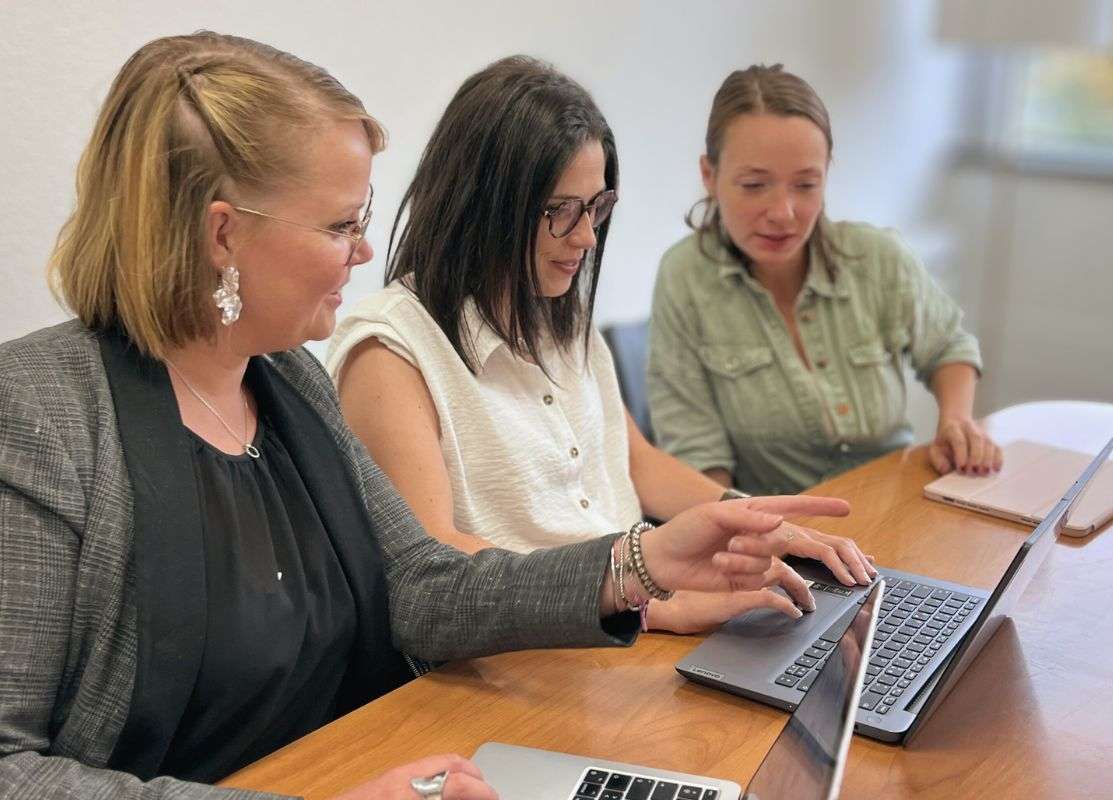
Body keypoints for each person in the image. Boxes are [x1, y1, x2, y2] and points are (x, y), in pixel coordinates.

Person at [0, 35, 845, 800]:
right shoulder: (41, 412)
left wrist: (640, 563)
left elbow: (423, 586)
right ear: (222, 236)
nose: (365, 251)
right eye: (342, 224)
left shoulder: (289, 382)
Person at [327, 56, 875, 638]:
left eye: (596, 207)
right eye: (561, 211)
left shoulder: (556, 315)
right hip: (539, 649)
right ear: (483, 204)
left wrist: (755, 521)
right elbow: (436, 568)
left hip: (628, 622)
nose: (587, 236)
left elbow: (635, 461)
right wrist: (647, 601)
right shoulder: (391, 352)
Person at [647, 64, 1003, 497]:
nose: (783, 213)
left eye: (806, 185)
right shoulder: (684, 278)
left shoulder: (878, 257)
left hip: (894, 502)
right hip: (775, 521)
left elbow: (948, 345)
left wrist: (956, 421)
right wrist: (739, 525)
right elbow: (698, 456)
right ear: (709, 175)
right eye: (755, 185)